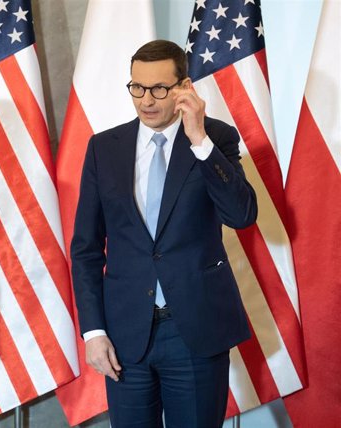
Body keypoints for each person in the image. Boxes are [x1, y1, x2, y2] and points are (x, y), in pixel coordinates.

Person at [71, 40, 258, 427]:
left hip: (195, 329)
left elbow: (241, 215)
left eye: (159, 89)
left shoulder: (216, 139)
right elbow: (87, 249)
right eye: (137, 88)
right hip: (125, 335)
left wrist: (199, 140)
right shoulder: (103, 148)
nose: (146, 100)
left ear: (184, 87)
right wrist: (93, 331)